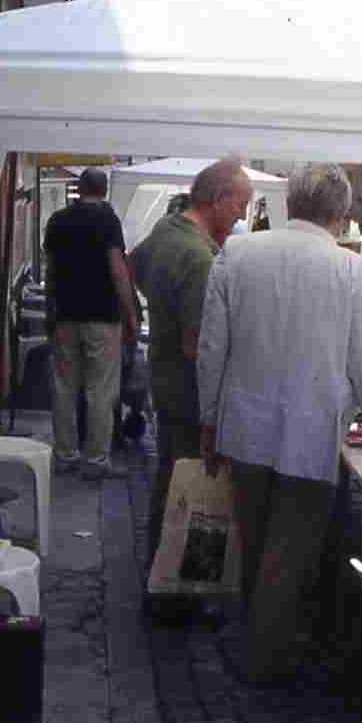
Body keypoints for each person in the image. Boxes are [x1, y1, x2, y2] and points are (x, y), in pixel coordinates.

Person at [198, 163, 362, 682]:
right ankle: (268, 656)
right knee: (290, 549)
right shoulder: (354, 273)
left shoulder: (237, 254)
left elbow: (212, 349)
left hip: (246, 423)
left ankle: (260, 644)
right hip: (310, 431)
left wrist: (209, 421)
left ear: (290, 202)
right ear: (343, 214)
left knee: (256, 537)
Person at [130, 158, 255, 567]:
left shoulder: (168, 228)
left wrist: (154, 310)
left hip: (165, 378)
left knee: (170, 478)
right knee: (186, 490)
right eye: (241, 205)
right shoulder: (200, 257)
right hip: (187, 392)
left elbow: (133, 265)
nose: (242, 215)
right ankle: (172, 588)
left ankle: (158, 575)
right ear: (219, 199)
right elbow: (197, 346)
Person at [44, 167, 139, 478]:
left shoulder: (58, 221)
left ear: (79, 188)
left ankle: (65, 455)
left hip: (65, 317)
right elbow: (117, 269)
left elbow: (51, 271)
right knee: (100, 391)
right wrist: (131, 315)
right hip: (102, 318)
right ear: (105, 189)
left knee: (64, 388)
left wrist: (50, 311)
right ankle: (96, 461)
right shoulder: (108, 221)